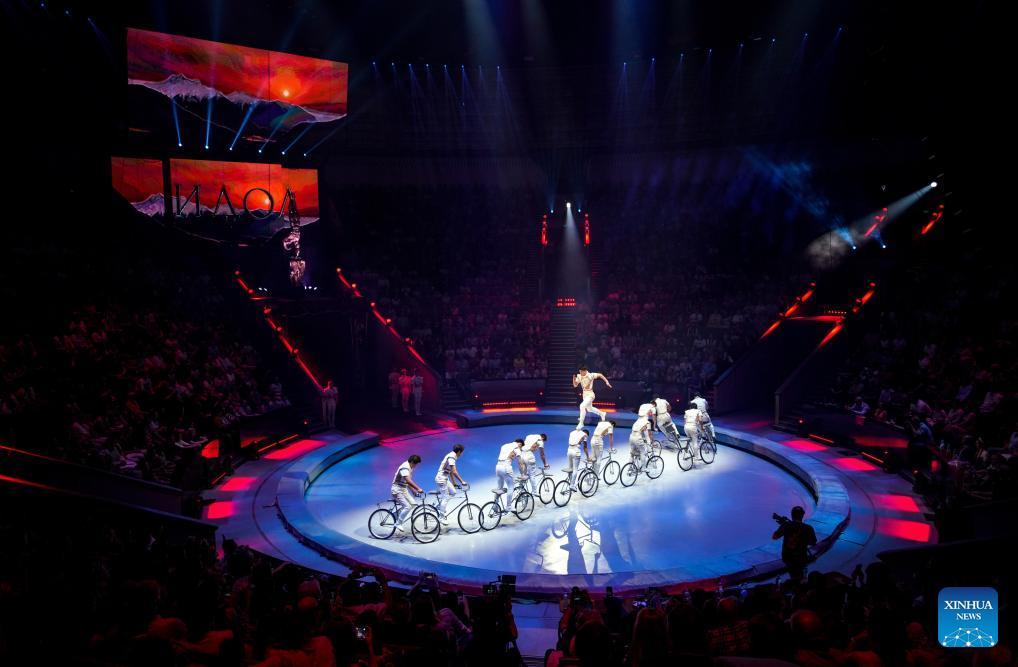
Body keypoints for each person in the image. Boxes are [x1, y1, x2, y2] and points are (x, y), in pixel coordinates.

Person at [771, 505, 817, 581]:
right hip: (802, 557)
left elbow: (774, 537)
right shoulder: (808, 528)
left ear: (792, 515)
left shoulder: (786, 525)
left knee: (793, 576)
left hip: (788, 557)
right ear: (802, 515)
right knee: (801, 576)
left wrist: (783, 526)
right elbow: (813, 542)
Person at [391, 454, 425, 533]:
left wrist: (413, 491)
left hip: (403, 489)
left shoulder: (410, 467)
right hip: (397, 490)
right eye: (416, 464)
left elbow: (406, 482)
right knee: (407, 507)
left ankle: (396, 514)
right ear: (412, 462)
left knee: (413, 504)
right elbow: (408, 480)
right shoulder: (404, 468)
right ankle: (398, 523)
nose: (416, 466)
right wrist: (418, 488)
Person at [435, 444, 467, 524]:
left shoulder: (452, 456)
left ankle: (439, 505)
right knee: (445, 497)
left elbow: (451, 471)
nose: (462, 454)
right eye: (462, 452)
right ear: (459, 451)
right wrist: (462, 481)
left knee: (453, 492)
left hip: (445, 478)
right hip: (441, 479)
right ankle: (441, 517)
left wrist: (454, 483)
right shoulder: (452, 457)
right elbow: (454, 471)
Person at [495, 439, 527, 504]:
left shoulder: (504, 446)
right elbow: (520, 463)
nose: (520, 449)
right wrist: (522, 474)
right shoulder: (517, 448)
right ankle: (509, 507)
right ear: (520, 444)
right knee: (510, 487)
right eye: (521, 447)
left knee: (499, 488)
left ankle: (495, 505)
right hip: (506, 467)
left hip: (498, 467)